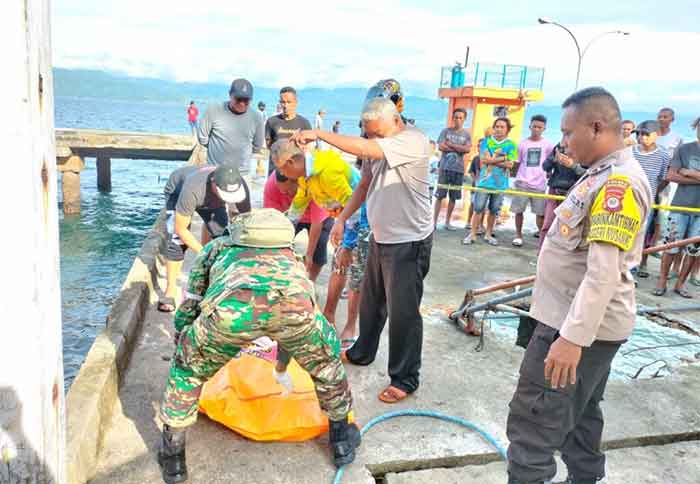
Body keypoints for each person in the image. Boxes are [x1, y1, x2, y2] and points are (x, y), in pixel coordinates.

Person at [506, 87, 652, 484]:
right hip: (582, 325)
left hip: (575, 328)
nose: (564, 143)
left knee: (532, 428)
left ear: (597, 126)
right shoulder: (599, 175)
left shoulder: (617, 185)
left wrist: (571, 339)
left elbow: (602, 272)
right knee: (581, 417)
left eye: (569, 133)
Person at [157, 209, 360, 483]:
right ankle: (341, 441)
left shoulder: (217, 247)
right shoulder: (290, 251)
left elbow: (192, 301)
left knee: (187, 372)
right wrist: (285, 360)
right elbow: (303, 295)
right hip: (295, 312)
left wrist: (184, 340)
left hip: (231, 316)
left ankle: (174, 460)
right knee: (327, 364)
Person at [292, 97, 433, 404]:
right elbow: (365, 182)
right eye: (367, 133)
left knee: (403, 313)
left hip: (409, 241)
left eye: (376, 133)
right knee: (372, 302)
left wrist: (319, 135)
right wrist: (342, 218)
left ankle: (405, 377)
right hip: (381, 236)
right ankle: (362, 352)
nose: (371, 138)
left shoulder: (413, 141)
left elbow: (369, 150)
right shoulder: (377, 142)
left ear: (395, 121)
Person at [158, 163, 252, 313]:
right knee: (177, 242)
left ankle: (216, 282)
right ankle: (169, 291)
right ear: (214, 184)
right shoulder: (193, 189)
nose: (230, 199)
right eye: (226, 195)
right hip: (178, 192)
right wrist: (204, 252)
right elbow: (180, 229)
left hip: (213, 202)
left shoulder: (239, 184)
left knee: (222, 236)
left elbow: (246, 220)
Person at [653, 116, 700, 298]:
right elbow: (671, 176)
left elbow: (679, 173)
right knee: (670, 246)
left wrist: (690, 173)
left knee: (693, 250)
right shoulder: (685, 149)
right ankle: (662, 281)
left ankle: (680, 284)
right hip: (680, 206)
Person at [263, 169, 332, 282]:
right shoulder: (271, 186)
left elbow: (317, 222)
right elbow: (272, 219)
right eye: (282, 192)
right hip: (291, 214)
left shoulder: (314, 184)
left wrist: (309, 255)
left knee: (318, 252)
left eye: (289, 191)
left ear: (298, 182)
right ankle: (279, 278)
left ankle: (311, 281)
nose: (287, 195)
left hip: (319, 216)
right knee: (279, 246)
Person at [463, 117, 517, 246]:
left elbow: (510, 164)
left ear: (507, 130)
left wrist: (493, 160)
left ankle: (488, 234)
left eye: (502, 127)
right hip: (484, 182)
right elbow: (484, 160)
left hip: (500, 184)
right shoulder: (486, 142)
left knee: (494, 209)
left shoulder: (511, 145)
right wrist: (503, 158)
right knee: (478, 208)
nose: (498, 129)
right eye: (496, 126)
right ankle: (473, 234)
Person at [630, 120, 671, 279]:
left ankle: (631, 272)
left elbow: (665, 178)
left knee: (639, 236)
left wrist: (651, 192)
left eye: (645, 134)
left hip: (646, 202)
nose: (641, 137)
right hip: (626, 199)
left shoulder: (663, 155)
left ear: (656, 135)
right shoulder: (630, 152)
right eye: (639, 134)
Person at [197, 78, 264, 168]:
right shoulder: (213, 110)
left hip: (242, 173)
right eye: (238, 99)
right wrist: (218, 148)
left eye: (246, 100)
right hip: (215, 170)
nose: (242, 103)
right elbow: (202, 138)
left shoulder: (257, 118)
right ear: (230, 95)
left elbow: (257, 146)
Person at [510, 114, 555, 247]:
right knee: (519, 211)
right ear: (530, 126)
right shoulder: (522, 144)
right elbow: (517, 162)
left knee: (540, 213)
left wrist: (549, 175)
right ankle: (518, 235)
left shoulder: (548, 145)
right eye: (534, 126)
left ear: (544, 128)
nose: (536, 129)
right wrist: (514, 179)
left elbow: (550, 163)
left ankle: (541, 238)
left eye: (539, 127)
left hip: (539, 184)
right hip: (522, 182)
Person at [539, 144, 586, 249]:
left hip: (574, 193)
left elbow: (588, 174)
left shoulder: (586, 148)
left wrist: (573, 166)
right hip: (555, 190)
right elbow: (545, 166)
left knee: (568, 227)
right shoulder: (559, 147)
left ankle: (561, 255)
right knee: (548, 224)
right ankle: (542, 253)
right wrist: (553, 159)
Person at [433, 108, 472, 230]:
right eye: (456, 117)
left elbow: (467, 150)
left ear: (464, 119)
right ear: (452, 118)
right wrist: (458, 148)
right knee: (440, 195)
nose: (458, 120)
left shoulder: (466, 134)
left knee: (453, 197)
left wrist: (451, 145)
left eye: (461, 118)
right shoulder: (445, 131)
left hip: (458, 169)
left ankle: (447, 222)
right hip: (444, 168)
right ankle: (433, 222)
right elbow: (441, 146)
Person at [264, 86, 313, 174]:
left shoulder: (304, 123)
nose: (285, 105)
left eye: (289, 102)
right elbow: (269, 146)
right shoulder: (271, 122)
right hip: (275, 173)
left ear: (296, 103)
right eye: (283, 102)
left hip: (297, 174)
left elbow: (308, 150)